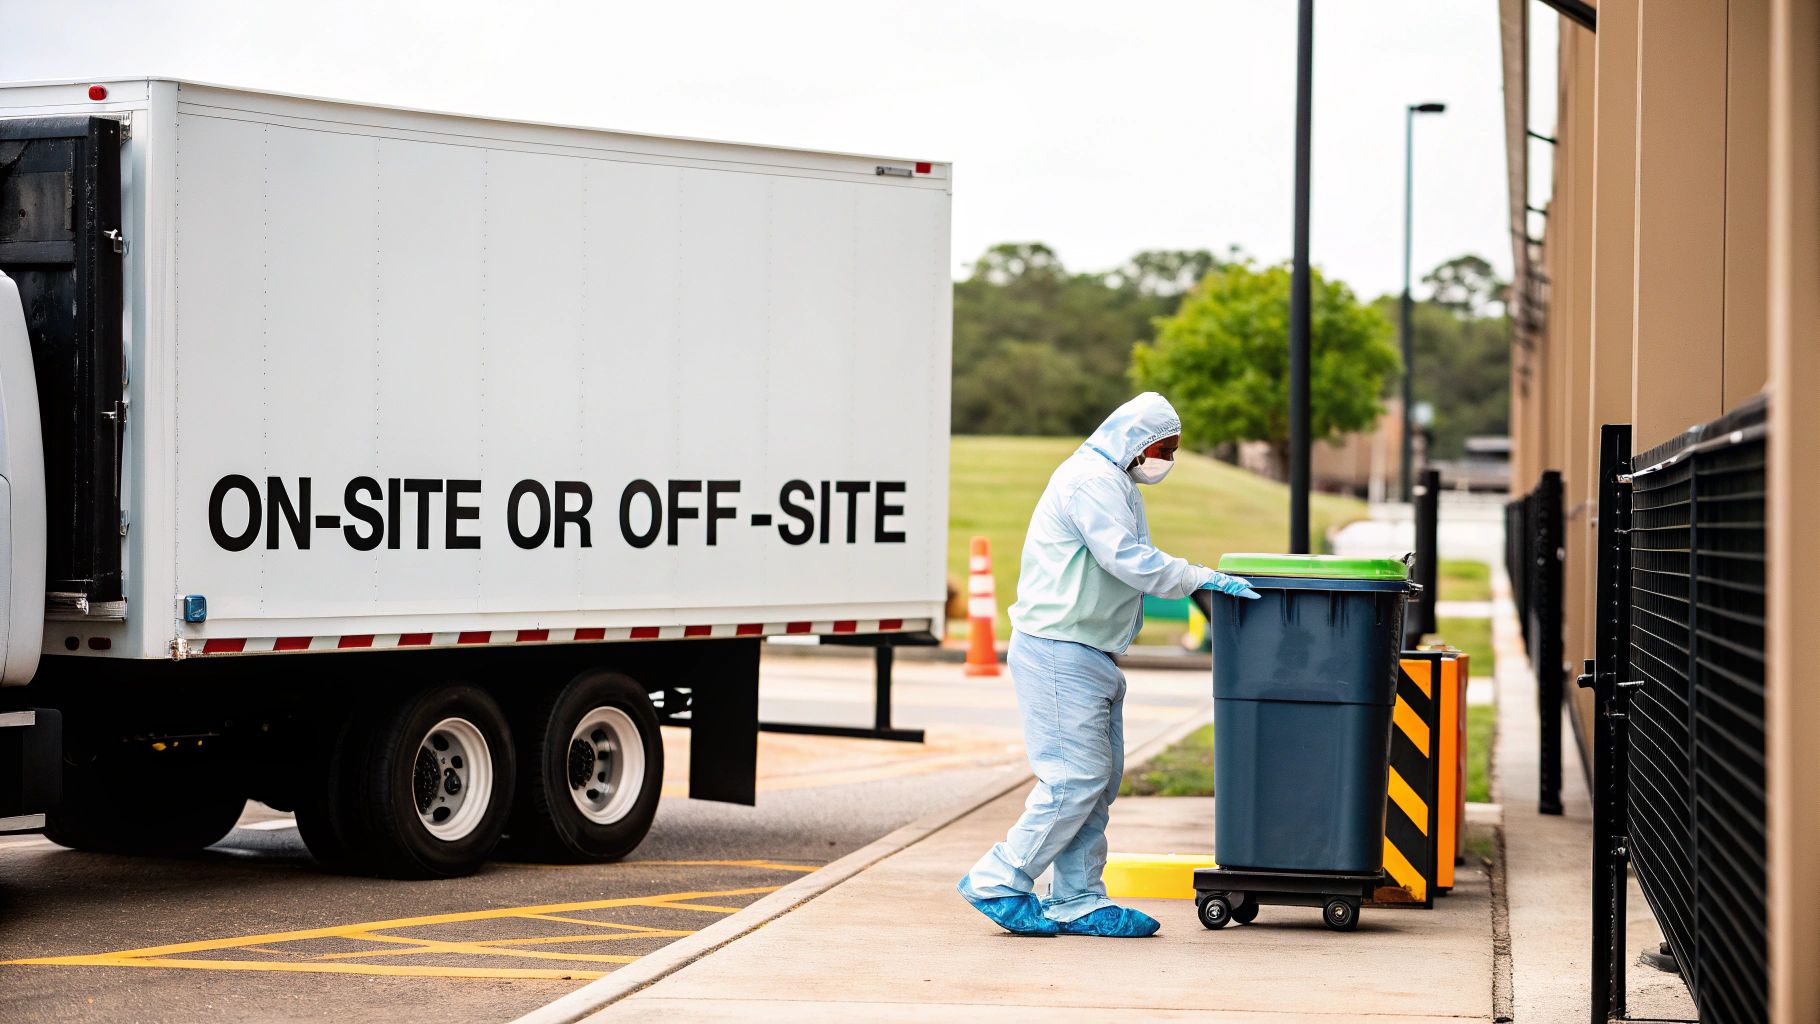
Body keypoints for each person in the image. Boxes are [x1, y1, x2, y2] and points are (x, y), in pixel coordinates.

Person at [956, 392, 1258, 938]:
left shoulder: (1112, 480)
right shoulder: (1091, 483)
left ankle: (1076, 898)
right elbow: (1126, 559)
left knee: (1097, 782)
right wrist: (1199, 578)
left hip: (1087, 651)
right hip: (1058, 649)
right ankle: (999, 879)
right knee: (1074, 779)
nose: (1168, 459)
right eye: (1164, 448)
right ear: (1137, 442)